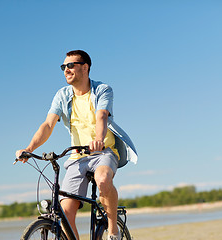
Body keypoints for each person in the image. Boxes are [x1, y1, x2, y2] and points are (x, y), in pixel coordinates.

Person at [16, 50, 137, 240]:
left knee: (103, 180)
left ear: (85, 67)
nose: (66, 70)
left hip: (103, 151)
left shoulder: (102, 90)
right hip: (77, 156)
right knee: (65, 212)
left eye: (70, 65)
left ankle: (113, 230)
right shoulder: (62, 95)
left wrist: (98, 139)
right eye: (63, 67)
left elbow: (102, 116)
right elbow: (48, 125)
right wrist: (29, 149)